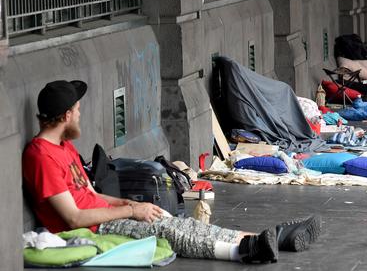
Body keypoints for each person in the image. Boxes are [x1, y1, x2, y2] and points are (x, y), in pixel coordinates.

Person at [23, 80, 322, 263]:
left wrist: (134, 205)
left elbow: (92, 196)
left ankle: (267, 239)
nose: (79, 115)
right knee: (168, 231)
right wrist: (129, 212)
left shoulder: (65, 148)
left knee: (176, 221)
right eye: (76, 111)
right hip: (89, 229)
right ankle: (247, 249)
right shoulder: (40, 156)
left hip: (105, 217)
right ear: (65, 116)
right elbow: (73, 217)